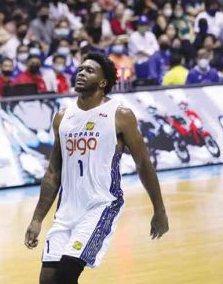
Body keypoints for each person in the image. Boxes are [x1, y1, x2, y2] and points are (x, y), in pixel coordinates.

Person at [24, 53, 169, 284]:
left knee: (65, 276)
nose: (81, 72)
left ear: (103, 82)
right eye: (80, 69)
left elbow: (143, 163)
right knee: (48, 279)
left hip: (101, 205)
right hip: (67, 211)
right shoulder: (63, 117)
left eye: (89, 70)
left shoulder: (120, 115)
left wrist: (159, 209)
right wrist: (36, 220)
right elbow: (53, 173)